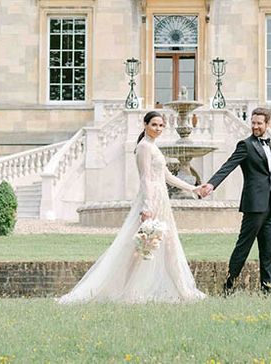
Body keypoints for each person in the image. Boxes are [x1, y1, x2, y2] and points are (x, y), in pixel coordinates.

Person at [59, 110, 205, 304]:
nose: (158, 129)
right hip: (151, 202)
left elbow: (167, 177)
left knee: (165, 247)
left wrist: (193, 188)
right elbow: (145, 178)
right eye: (154, 125)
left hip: (161, 201)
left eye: (161, 125)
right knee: (139, 250)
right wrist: (147, 207)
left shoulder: (153, 146)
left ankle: (184, 291)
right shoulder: (144, 147)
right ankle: (128, 292)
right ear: (145, 125)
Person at [198, 107, 271, 294]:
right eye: (253, 123)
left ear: (267, 125)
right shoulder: (246, 145)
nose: (255, 126)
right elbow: (228, 165)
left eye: (259, 123)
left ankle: (268, 290)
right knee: (243, 248)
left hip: (269, 207)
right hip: (253, 206)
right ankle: (228, 286)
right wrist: (212, 184)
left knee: (269, 251)